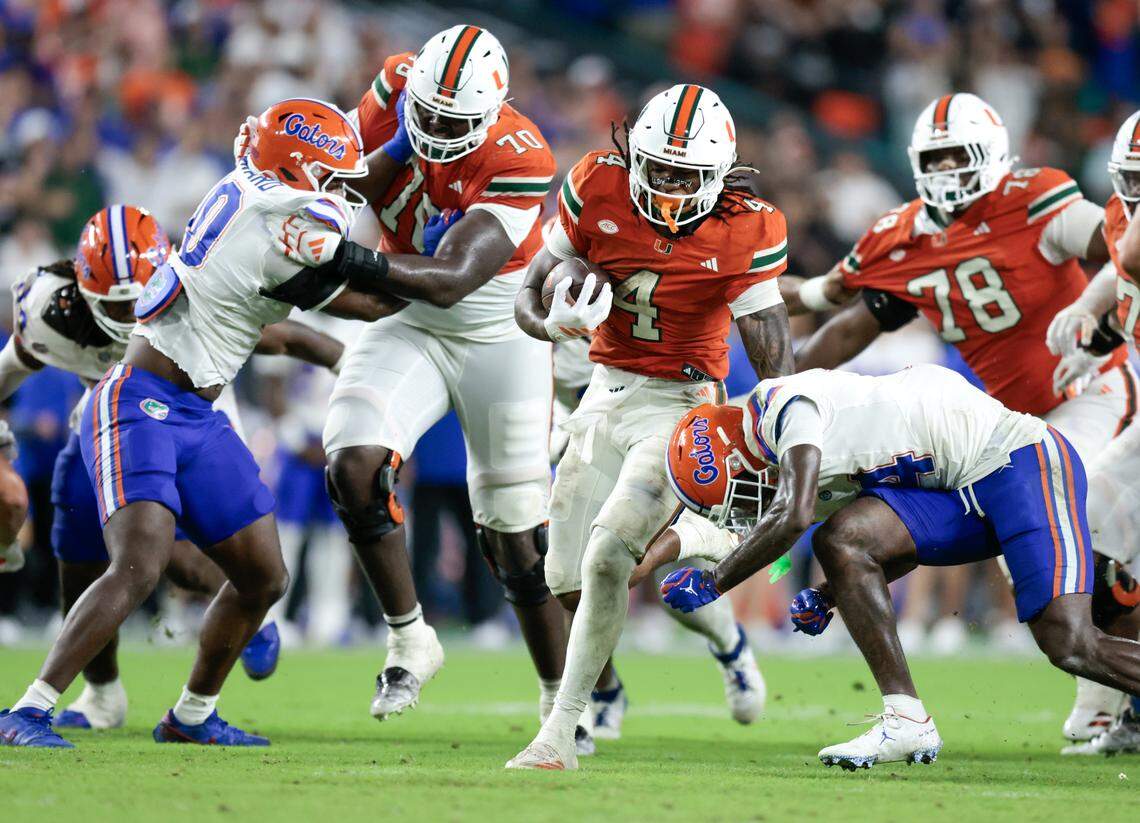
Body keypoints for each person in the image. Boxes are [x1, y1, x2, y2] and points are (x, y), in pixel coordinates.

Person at [0, 97, 404, 748]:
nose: (335, 193)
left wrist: (402, 142)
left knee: (266, 575)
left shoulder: (251, 189)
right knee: (140, 562)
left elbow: (296, 322)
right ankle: (29, 706)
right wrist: (445, 286)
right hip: (141, 399)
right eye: (326, 177)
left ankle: (190, 714)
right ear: (297, 169)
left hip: (199, 409)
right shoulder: (271, 224)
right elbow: (361, 301)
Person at [781, 93, 1137, 739]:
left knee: (1071, 537)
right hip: (1009, 428)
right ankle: (1109, 697)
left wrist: (1100, 329)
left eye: (958, 156)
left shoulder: (1034, 196)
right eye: (934, 159)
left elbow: (1119, 243)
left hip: (1086, 394)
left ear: (994, 155)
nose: (946, 171)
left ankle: (1107, 699)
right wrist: (785, 392)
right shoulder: (904, 235)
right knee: (1055, 554)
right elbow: (849, 323)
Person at [506, 83, 793, 771]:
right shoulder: (596, 184)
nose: (665, 185)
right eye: (656, 166)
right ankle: (727, 643)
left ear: (719, 172)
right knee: (567, 576)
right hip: (603, 392)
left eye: (683, 173)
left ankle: (560, 730)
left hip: (682, 401)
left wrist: (781, 440)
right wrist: (553, 320)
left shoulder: (749, 225)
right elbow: (524, 296)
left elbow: (774, 353)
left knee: (612, 556)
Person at [657, 364, 1140, 769]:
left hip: (1018, 459)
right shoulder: (811, 457)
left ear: (736, 456)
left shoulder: (784, 408)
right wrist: (829, 594)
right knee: (844, 539)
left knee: (1070, 643)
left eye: (733, 494)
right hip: (964, 489)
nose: (743, 509)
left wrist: (715, 581)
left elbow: (793, 513)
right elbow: (893, 542)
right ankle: (907, 720)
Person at [0, 206, 347, 728]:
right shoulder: (53, 311)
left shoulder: (193, 298)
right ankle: (100, 695)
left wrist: (367, 375)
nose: (132, 315)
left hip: (193, 412)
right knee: (82, 550)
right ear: (83, 285)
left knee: (183, 558)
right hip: (103, 415)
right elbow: (10, 369)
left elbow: (289, 338)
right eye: (116, 305)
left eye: (141, 297)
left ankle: (240, 624)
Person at [316, 25, 569, 727]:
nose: (429, 128)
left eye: (450, 122)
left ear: (491, 112)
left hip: (494, 325)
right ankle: (409, 636)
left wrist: (337, 256)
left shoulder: (522, 155)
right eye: (423, 113)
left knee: (513, 533)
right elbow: (349, 174)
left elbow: (455, 278)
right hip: (407, 309)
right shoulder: (398, 82)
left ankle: (561, 697)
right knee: (352, 461)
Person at [1042, 110, 1140, 756]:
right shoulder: (1119, 214)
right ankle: (1121, 705)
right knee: (1088, 527)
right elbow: (1121, 260)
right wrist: (1090, 312)